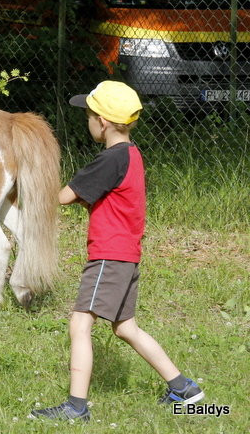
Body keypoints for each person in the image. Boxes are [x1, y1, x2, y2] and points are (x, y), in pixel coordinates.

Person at [30, 81, 203, 422]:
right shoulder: (132, 155)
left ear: (103, 122)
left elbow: (63, 196)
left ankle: (75, 408)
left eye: (89, 115)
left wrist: (28, 193)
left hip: (109, 255)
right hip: (126, 254)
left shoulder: (110, 160)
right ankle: (185, 390)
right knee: (126, 328)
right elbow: (101, 198)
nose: (87, 121)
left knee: (79, 324)